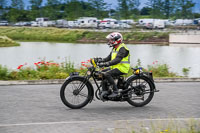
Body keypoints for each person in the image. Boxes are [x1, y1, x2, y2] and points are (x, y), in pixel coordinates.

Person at [95, 32, 130, 98]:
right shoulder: (114, 48)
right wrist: (100, 60)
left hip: (122, 68)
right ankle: (106, 91)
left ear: (117, 40)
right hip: (115, 67)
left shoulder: (122, 48)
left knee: (107, 74)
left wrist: (106, 64)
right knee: (101, 73)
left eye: (111, 40)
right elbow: (109, 58)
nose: (110, 41)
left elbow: (117, 60)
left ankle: (115, 91)